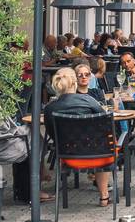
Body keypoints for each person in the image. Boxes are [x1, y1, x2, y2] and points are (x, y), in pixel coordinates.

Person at [43, 66, 111, 205]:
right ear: (75, 83)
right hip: (96, 155)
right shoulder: (88, 101)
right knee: (105, 142)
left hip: (67, 156)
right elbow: (105, 122)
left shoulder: (50, 108)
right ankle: (104, 195)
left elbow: (51, 133)